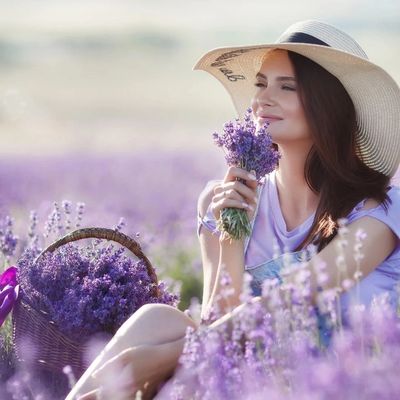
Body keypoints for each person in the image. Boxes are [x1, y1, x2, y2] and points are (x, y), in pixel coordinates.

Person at [67, 20, 400, 400]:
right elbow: (218, 327)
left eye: (286, 87)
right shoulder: (222, 201)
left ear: (328, 108)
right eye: (260, 84)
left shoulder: (378, 212)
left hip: (332, 386)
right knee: (158, 321)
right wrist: (230, 235)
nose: (262, 99)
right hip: (243, 379)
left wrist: (154, 359)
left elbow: (292, 299)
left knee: (188, 360)